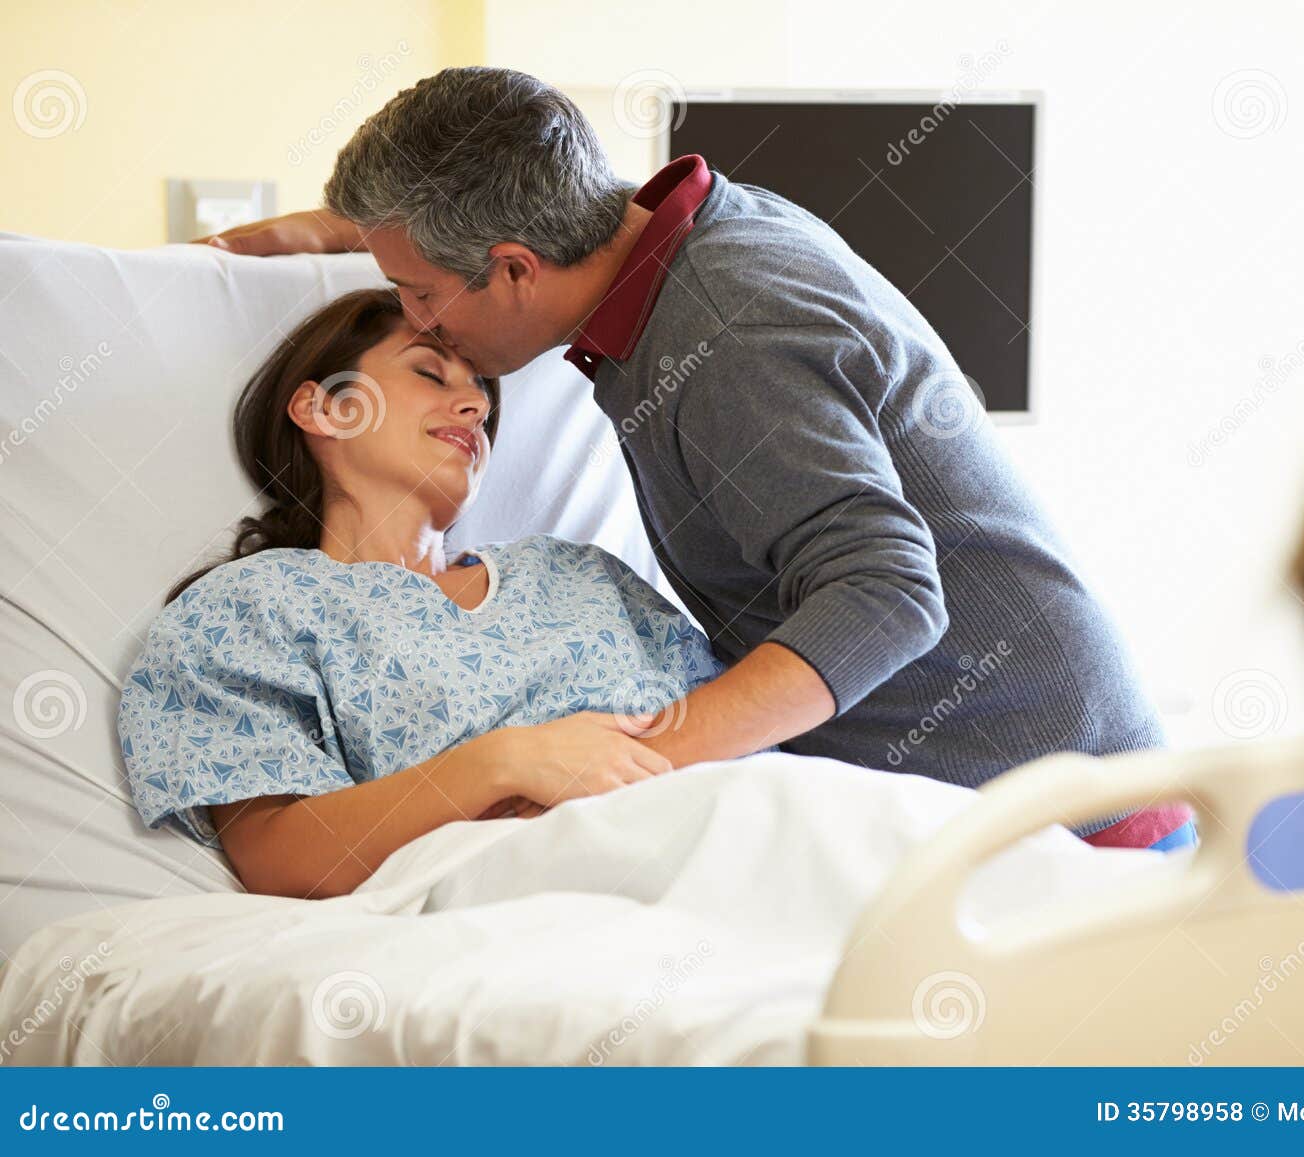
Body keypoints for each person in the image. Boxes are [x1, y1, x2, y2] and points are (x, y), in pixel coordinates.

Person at [201, 67, 1193, 851]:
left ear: (512, 268)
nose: (431, 330)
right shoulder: (686, 233)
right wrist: (329, 234)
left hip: (1050, 819)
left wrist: (617, 771)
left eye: (418, 293)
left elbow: (886, 594)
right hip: (1012, 789)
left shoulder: (723, 336)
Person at [118, 289, 723, 898]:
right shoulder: (250, 609)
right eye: (430, 374)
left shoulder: (580, 573)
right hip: (525, 899)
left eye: (482, 400)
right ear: (325, 409)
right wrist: (505, 762)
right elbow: (281, 860)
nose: (474, 406)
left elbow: (734, 723)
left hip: (716, 839)